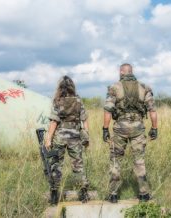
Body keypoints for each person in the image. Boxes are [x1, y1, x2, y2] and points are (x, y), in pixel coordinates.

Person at [102, 63, 158, 203]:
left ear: (121, 72)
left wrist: (105, 129)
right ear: (131, 72)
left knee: (116, 159)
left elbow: (108, 109)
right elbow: (152, 110)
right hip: (138, 127)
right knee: (139, 161)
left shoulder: (114, 87)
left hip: (120, 127)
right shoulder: (144, 88)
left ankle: (113, 194)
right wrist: (154, 128)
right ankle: (144, 194)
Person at [45, 75, 89, 205]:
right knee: (78, 166)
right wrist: (86, 137)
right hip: (75, 137)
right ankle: (84, 193)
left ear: (60, 87)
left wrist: (48, 139)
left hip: (60, 137)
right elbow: (84, 120)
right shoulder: (78, 101)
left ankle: (54, 195)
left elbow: (54, 122)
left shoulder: (57, 101)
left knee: (56, 165)